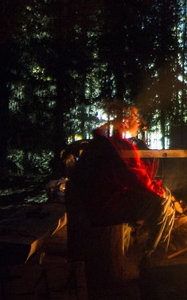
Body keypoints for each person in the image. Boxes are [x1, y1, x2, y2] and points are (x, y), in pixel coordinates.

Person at [67, 102, 176, 260]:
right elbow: (136, 179)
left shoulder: (104, 142)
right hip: (105, 208)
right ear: (124, 121)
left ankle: (156, 254)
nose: (139, 123)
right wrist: (158, 191)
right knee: (163, 203)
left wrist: (156, 189)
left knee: (164, 198)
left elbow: (129, 178)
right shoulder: (118, 146)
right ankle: (152, 258)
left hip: (98, 202)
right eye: (135, 118)